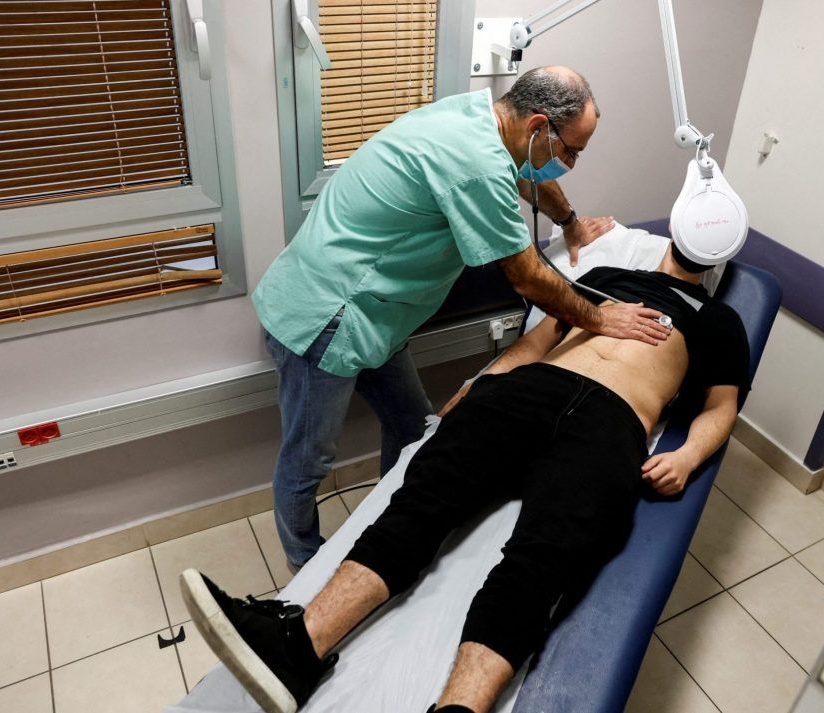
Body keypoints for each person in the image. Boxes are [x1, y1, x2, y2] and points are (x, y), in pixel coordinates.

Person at [181, 238, 751, 713]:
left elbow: (721, 406)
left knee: (546, 556)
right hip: (528, 392)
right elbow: (538, 340)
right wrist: (484, 381)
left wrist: (685, 456)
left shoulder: (721, 322)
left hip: (614, 420)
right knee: (422, 500)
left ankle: (460, 709)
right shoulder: (604, 274)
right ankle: (297, 647)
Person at [251, 65, 671, 570]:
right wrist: (600, 319)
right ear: (538, 125)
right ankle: (304, 567)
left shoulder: (479, 115)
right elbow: (529, 278)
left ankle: (382, 530)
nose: (572, 164)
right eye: (571, 151)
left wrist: (572, 224)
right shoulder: (475, 162)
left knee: (413, 427)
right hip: (326, 316)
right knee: (307, 461)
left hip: (378, 317)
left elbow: (524, 171)